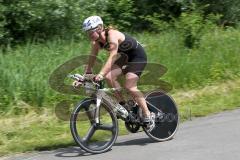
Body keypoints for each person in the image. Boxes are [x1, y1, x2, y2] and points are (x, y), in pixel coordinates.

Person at [74, 16, 155, 130]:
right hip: (124, 57)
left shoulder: (112, 34)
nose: (89, 35)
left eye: (90, 32)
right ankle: (123, 105)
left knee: (130, 86)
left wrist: (100, 74)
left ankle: (148, 115)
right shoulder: (96, 43)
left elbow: (112, 57)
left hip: (137, 56)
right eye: (87, 32)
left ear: (99, 28)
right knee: (109, 77)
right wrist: (84, 77)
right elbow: (91, 60)